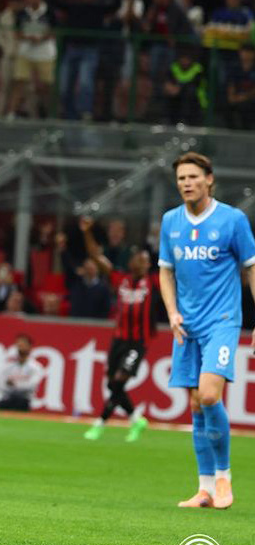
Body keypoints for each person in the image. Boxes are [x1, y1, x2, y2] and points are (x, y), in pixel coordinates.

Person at [157, 152, 255, 510]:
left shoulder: (232, 220)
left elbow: (251, 267)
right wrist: (172, 312)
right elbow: (165, 270)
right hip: (188, 325)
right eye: (181, 178)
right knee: (196, 404)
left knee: (210, 395)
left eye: (193, 177)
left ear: (209, 179)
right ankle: (205, 488)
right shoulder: (171, 221)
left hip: (222, 321)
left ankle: (224, 477)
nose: (186, 183)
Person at [80, 217, 154, 442]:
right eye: (140, 259)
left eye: (146, 261)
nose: (143, 264)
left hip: (137, 342)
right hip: (118, 340)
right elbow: (95, 256)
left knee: (119, 380)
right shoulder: (120, 279)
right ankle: (136, 419)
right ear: (131, 262)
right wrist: (87, 232)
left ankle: (100, 423)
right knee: (112, 383)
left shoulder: (154, 283)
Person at [0, 334, 39, 411]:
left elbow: (30, 386)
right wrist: (10, 387)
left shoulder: (35, 367)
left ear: (29, 347)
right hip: (8, 397)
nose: (20, 347)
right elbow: (0, 385)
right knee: (1, 404)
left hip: (24, 400)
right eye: (18, 344)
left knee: (21, 403)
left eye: (23, 344)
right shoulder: (9, 366)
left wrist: (14, 384)